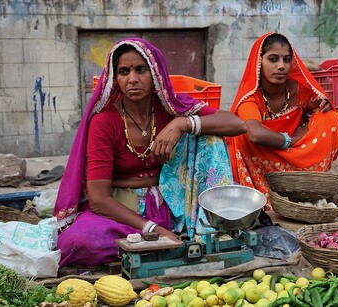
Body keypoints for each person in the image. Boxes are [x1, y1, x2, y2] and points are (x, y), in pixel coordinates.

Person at [53, 37, 246, 267]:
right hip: (123, 208)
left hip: (171, 199)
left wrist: (182, 124)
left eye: (140, 70)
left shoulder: (170, 108)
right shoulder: (104, 122)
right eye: (124, 72)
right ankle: (154, 240)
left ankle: (208, 227)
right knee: (78, 242)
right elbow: (99, 199)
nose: (132, 79)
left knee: (210, 138)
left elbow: (236, 124)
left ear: (155, 73)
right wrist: (153, 230)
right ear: (115, 78)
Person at [226, 32, 338, 210]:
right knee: (242, 134)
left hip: (298, 157)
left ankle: (309, 188)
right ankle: (267, 193)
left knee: (329, 118)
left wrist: (317, 110)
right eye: (273, 59)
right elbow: (256, 134)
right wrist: (292, 140)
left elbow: (319, 109)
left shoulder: (301, 90)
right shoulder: (250, 98)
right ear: (259, 62)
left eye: (286, 59)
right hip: (265, 158)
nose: (281, 66)